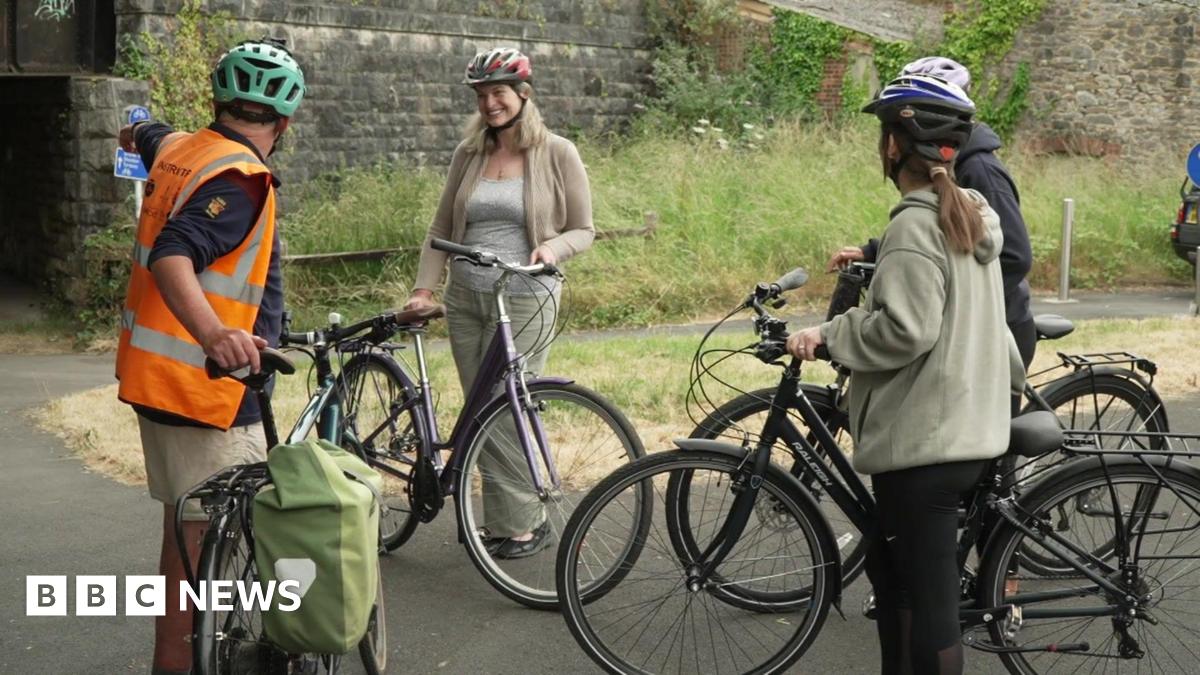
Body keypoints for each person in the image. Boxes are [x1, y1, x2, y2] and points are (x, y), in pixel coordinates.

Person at [787, 74, 1022, 674]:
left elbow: (906, 330)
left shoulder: (916, 226)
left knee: (931, 604)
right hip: (964, 431)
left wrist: (829, 334)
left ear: (894, 146)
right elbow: (980, 322)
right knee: (892, 580)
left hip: (927, 448)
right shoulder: (969, 216)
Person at [115, 38, 303, 675]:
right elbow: (174, 254)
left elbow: (143, 131)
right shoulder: (242, 179)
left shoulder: (182, 150)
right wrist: (214, 336)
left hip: (155, 382)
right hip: (211, 391)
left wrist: (133, 125)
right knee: (202, 557)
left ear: (218, 103)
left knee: (184, 540)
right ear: (284, 121)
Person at [402, 47, 595, 558]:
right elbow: (441, 228)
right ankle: (503, 517)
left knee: (507, 406)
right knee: (478, 409)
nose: (490, 104)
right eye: (482, 96)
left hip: (527, 293)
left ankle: (522, 526)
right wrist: (425, 288)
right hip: (465, 296)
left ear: (523, 96)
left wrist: (551, 248)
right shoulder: (469, 155)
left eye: (499, 94)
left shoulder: (557, 152)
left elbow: (584, 229)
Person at [828, 56, 1036, 379]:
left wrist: (953, 305)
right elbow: (946, 229)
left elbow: (1015, 255)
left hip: (997, 326)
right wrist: (872, 250)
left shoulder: (980, 170)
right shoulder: (941, 179)